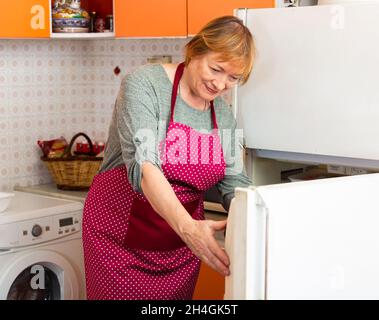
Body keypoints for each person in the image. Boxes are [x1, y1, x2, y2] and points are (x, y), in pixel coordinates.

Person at [82, 15, 254, 300]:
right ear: (196, 50)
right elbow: (145, 167)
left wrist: (257, 216)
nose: (221, 84)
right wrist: (188, 229)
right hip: (118, 241)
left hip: (180, 249)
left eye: (233, 78)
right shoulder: (143, 85)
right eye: (216, 69)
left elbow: (235, 180)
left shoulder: (222, 115)